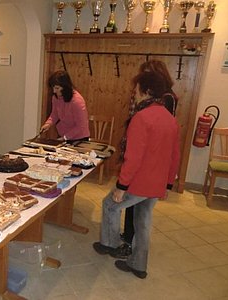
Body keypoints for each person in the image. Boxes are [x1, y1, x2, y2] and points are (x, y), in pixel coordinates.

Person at [92, 72, 180, 279]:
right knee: (143, 222)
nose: (134, 92)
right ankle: (138, 265)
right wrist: (168, 182)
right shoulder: (170, 118)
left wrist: (121, 187)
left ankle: (110, 244)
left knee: (110, 205)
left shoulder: (141, 117)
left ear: (147, 91)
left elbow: (133, 157)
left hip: (140, 182)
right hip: (157, 183)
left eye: (137, 88)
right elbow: (175, 154)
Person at [120, 60, 179, 258]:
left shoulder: (164, 101)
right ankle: (132, 246)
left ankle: (127, 244)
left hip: (148, 164)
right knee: (137, 211)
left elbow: (161, 138)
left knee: (133, 209)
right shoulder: (150, 103)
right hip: (144, 160)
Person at [40, 70, 90, 144]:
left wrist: (65, 137)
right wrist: (48, 124)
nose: (54, 91)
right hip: (65, 136)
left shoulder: (77, 101)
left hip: (80, 139)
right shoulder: (55, 97)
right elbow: (54, 114)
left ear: (65, 87)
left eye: (57, 88)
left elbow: (81, 126)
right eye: (53, 88)